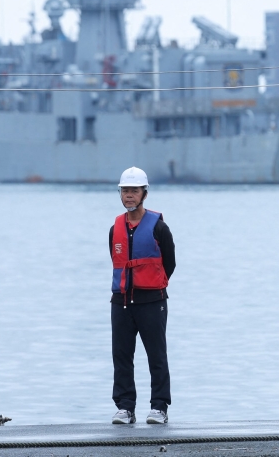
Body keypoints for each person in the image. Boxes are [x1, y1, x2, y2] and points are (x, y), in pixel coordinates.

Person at [109, 167, 176, 425]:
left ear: (144, 194)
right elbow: (116, 261)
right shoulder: (115, 229)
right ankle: (125, 408)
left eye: (134, 191)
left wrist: (153, 285)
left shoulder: (160, 228)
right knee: (121, 356)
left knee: (156, 355)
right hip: (122, 300)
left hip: (152, 301)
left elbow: (169, 263)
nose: (129, 195)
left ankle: (159, 407)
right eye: (125, 191)